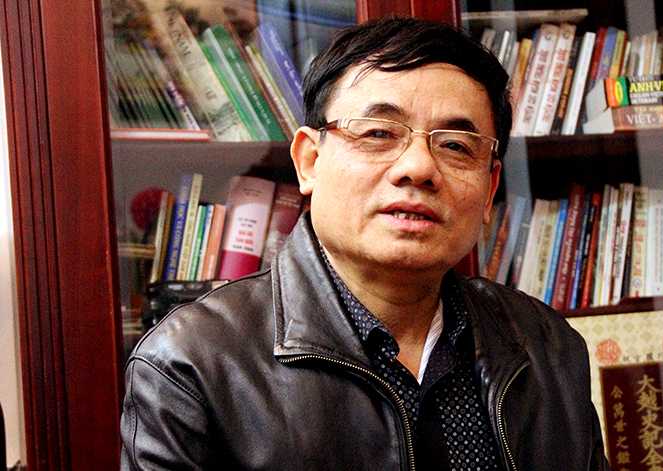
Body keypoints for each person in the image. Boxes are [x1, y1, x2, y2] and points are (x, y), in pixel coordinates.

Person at [121, 16, 609, 470]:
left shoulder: (547, 347)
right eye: (378, 133)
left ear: (490, 187)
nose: (418, 168)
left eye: (455, 146)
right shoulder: (192, 362)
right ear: (309, 161)